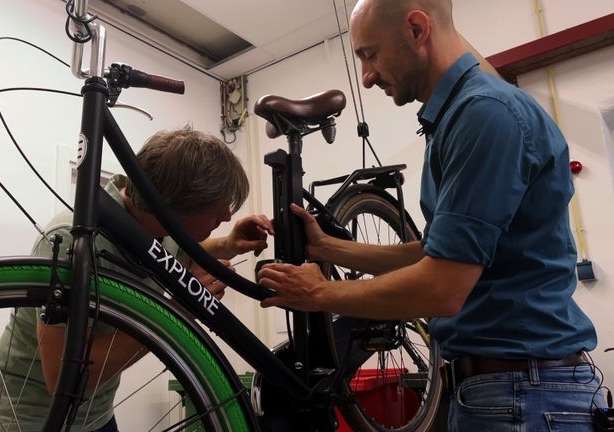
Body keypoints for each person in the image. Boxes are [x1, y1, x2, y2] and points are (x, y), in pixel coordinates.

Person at [257, 0, 603, 430]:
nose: (365, 78)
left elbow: (443, 286)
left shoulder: (485, 115)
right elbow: (436, 253)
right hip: (507, 392)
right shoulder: (462, 115)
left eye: (370, 54)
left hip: (523, 397)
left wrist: (319, 295)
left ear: (417, 29)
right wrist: (330, 247)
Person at [0, 125, 273, 432]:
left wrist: (227, 243)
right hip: (32, 422)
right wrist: (177, 314)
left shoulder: (156, 231)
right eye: (216, 207)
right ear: (170, 206)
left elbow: (177, 254)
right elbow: (61, 376)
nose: (226, 216)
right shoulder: (73, 241)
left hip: (99, 415)